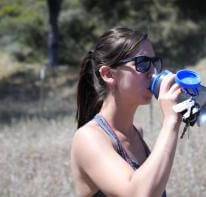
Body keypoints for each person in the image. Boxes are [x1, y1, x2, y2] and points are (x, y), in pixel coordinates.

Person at [71, 27, 183, 197]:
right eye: (143, 63)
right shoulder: (88, 138)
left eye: (154, 63)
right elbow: (138, 193)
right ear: (108, 74)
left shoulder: (136, 132)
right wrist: (170, 122)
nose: (153, 72)